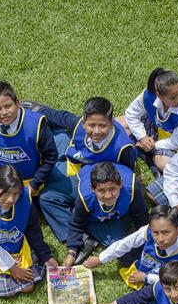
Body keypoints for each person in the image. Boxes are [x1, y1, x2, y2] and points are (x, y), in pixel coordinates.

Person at [29, 96, 138, 242]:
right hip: (76, 170)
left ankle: (81, 219)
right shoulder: (78, 125)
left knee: (112, 239)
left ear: (112, 123)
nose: (97, 131)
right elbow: (59, 117)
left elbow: (125, 176)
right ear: (84, 121)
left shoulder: (123, 147)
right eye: (91, 125)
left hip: (100, 185)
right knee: (47, 196)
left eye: (102, 126)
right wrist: (37, 110)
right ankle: (81, 238)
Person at [0, 165, 57, 297]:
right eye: (6, 193)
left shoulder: (24, 198)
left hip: (18, 248)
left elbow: (33, 228)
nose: (10, 200)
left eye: (15, 193)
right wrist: (9, 264)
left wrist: (45, 255)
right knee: (6, 292)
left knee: (28, 286)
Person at [84, 205, 178, 290]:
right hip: (151, 263)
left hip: (166, 278)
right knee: (122, 253)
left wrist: (146, 278)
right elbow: (127, 242)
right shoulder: (151, 230)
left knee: (155, 296)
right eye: (155, 232)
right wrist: (101, 259)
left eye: (166, 233)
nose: (160, 239)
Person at [64, 161, 148, 267]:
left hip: (118, 215)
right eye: (101, 191)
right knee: (49, 199)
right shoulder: (85, 196)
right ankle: (87, 236)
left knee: (115, 243)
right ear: (93, 189)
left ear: (121, 184)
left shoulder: (131, 190)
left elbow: (141, 218)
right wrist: (71, 253)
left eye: (112, 189)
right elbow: (76, 223)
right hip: (85, 179)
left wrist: (145, 241)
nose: (108, 195)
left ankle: (90, 235)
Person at [0, 80, 57, 195]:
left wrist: (35, 184)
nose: (4, 113)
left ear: (17, 103)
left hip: (29, 182)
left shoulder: (36, 124)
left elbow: (50, 157)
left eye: (8, 106)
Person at [124, 68, 178, 174]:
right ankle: (144, 149)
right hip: (156, 131)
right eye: (172, 98)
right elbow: (131, 113)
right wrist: (142, 137)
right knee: (118, 123)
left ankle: (147, 151)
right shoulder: (148, 95)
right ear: (159, 95)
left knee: (164, 163)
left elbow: (177, 142)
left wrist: (153, 145)